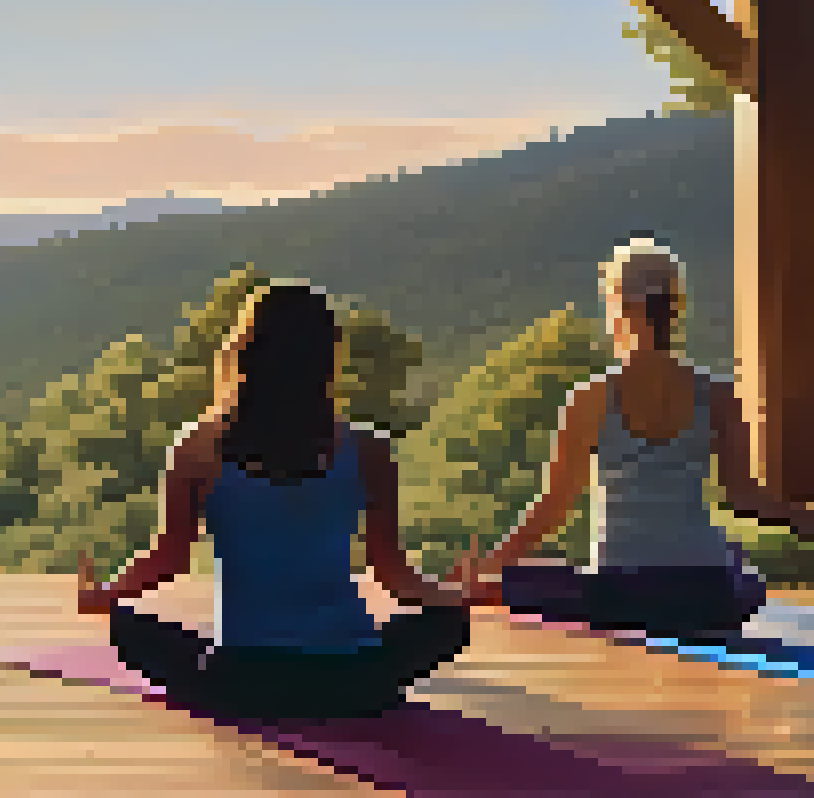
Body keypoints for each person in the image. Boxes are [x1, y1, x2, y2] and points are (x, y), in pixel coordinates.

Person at [75, 280, 470, 720]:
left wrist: (106, 595)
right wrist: (453, 596)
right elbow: (393, 574)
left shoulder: (197, 446)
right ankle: (344, 689)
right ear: (327, 360)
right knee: (448, 625)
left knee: (130, 628)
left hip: (243, 679)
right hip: (353, 677)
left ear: (244, 353)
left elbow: (168, 559)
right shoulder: (370, 449)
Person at [451, 236, 810, 639]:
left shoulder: (590, 398)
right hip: (706, 591)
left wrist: (489, 566)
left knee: (531, 580)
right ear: (677, 310)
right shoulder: (720, 395)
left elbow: (552, 509)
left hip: (619, 593)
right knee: (746, 576)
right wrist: (802, 517)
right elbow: (745, 498)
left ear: (617, 310)